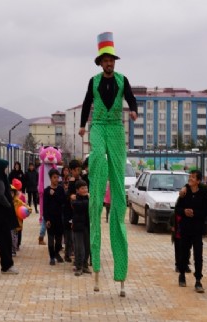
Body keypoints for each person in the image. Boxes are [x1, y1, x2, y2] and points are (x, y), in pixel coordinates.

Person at [79, 31, 138, 296]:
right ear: (100, 62)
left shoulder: (123, 80)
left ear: (114, 62)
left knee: (117, 178)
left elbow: (132, 98)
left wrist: (134, 111)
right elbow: (86, 104)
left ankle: (120, 269)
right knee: (98, 160)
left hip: (116, 128)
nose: (109, 64)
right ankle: (97, 183)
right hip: (99, 127)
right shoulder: (92, 82)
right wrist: (82, 126)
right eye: (105, 60)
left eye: (112, 60)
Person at [175, 170, 207, 293]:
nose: (190, 179)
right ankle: (182, 274)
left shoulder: (203, 194)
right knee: (184, 253)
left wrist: (195, 213)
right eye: (190, 177)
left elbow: (206, 211)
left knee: (198, 255)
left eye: (193, 177)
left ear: (198, 181)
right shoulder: (184, 193)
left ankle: (198, 280)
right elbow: (177, 209)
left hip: (197, 229)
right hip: (185, 228)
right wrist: (184, 212)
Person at [43, 168, 66, 265]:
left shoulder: (60, 189)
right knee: (51, 239)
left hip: (59, 218)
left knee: (59, 240)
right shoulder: (46, 191)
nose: (56, 179)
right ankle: (52, 257)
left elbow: (63, 201)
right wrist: (46, 219)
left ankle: (57, 253)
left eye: (57, 177)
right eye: (54, 177)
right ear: (50, 178)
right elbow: (45, 206)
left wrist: (55, 194)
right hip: (50, 219)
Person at [63, 159, 82, 262]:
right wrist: (71, 196)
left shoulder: (81, 180)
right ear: (71, 170)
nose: (77, 172)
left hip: (78, 212)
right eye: (76, 170)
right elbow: (68, 195)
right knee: (69, 235)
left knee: (75, 235)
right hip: (69, 211)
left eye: (79, 170)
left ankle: (74, 253)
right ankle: (67, 254)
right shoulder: (71, 182)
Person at [72, 180, 91, 276]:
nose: (85, 190)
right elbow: (81, 206)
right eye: (82, 188)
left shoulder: (87, 199)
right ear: (77, 190)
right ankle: (78, 267)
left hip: (87, 226)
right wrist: (88, 200)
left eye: (86, 188)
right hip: (78, 227)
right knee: (80, 248)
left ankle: (85, 265)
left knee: (87, 247)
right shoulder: (75, 199)